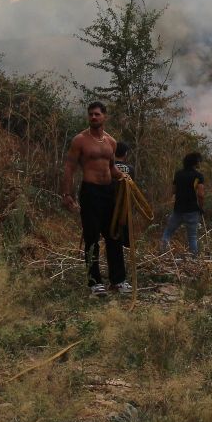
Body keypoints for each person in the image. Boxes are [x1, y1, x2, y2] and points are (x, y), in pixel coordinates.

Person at [63, 102, 129, 296]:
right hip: (90, 192)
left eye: (97, 114)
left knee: (114, 236)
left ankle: (118, 281)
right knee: (92, 238)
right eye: (91, 114)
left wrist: (125, 178)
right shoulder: (80, 140)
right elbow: (69, 168)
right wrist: (66, 194)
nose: (93, 117)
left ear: (104, 117)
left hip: (108, 192)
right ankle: (94, 282)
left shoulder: (111, 142)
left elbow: (111, 169)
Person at [162, 152, 205, 257]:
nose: (200, 162)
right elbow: (201, 194)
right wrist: (201, 208)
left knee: (168, 233)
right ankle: (194, 262)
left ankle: (162, 255)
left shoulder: (178, 174)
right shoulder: (198, 176)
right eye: (199, 161)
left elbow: (173, 191)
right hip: (192, 211)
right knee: (192, 237)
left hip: (178, 210)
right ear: (195, 163)